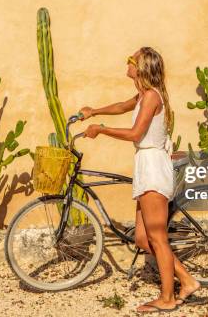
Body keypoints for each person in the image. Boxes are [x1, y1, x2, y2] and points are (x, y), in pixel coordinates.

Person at [79, 47, 201, 313]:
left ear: (142, 67)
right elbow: (123, 106)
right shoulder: (144, 95)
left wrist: (101, 130)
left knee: (158, 238)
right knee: (144, 239)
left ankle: (167, 298)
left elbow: (136, 133)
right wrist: (94, 112)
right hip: (145, 164)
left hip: (153, 166)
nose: (128, 62)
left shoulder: (151, 98)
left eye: (131, 60)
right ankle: (187, 280)